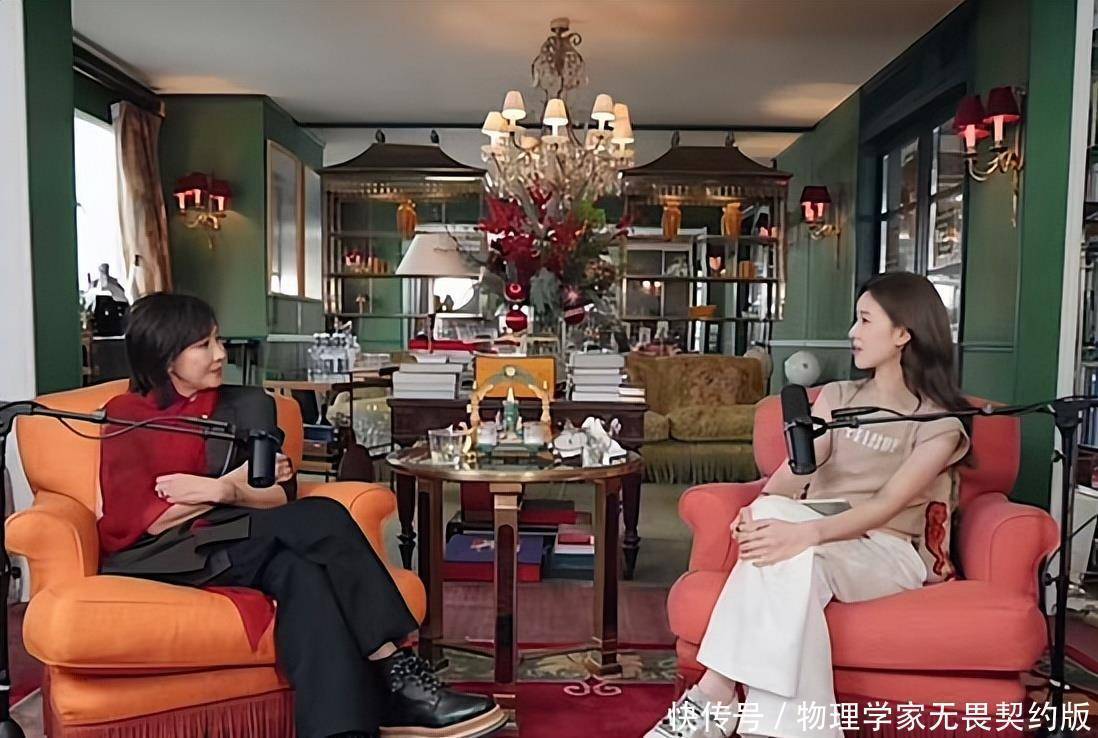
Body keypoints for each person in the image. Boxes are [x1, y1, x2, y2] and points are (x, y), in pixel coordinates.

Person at [98, 292, 506, 738]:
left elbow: (277, 495)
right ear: (164, 356)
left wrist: (221, 489)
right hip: (166, 553)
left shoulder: (248, 405)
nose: (220, 354)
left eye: (218, 340)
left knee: (303, 572)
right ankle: (397, 671)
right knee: (323, 518)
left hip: (238, 536)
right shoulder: (127, 416)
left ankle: (343, 731)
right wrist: (229, 491)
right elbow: (145, 521)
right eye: (203, 345)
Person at [645, 272, 972, 738]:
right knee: (790, 552)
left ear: (903, 333)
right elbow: (796, 470)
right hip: (817, 542)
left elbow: (887, 504)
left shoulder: (938, 422)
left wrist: (802, 533)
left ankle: (715, 693)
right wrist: (756, 510)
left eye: (865, 321)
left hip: (887, 552)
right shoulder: (837, 397)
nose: (852, 332)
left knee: (787, 546)